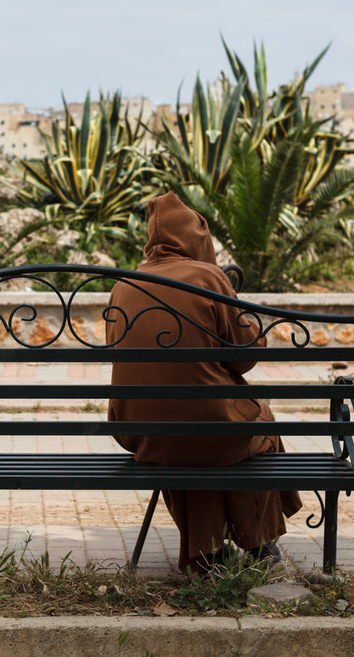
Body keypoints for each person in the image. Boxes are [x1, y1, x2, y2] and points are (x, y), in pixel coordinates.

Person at [106, 192, 302, 575]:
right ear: (198, 240)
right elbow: (244, 357)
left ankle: (207, 552)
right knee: (250, 422)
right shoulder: (207, 278)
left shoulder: (124, 284)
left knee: (189, 434)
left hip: (140, 433)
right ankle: (261, 545)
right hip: (212, 432)